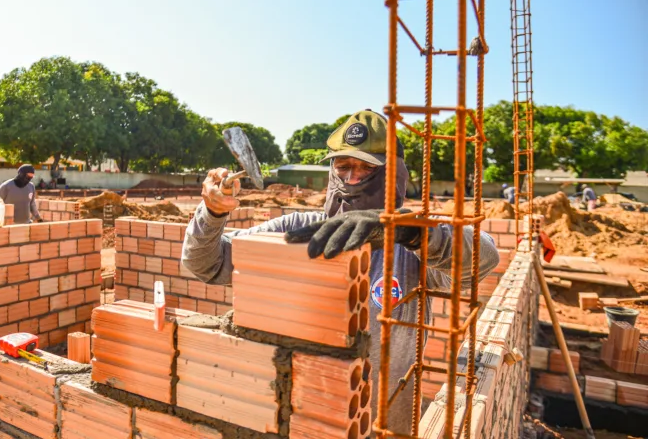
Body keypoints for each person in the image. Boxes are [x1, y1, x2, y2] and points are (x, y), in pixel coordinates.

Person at [181, 109, 499, 435]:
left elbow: (485, 257)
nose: (351, 180)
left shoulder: (409, 249)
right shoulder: (297, 230)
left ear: (393, 176)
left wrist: (410, 232)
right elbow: (206, 263)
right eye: (343, 168)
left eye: (366, 170)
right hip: (304, 420)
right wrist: (211, 212)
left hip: (383, 427)